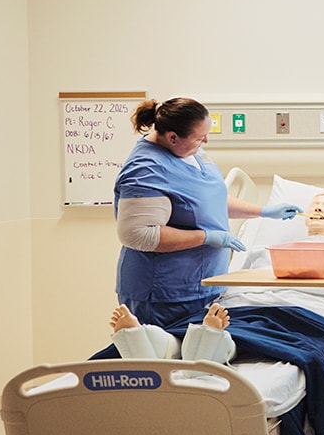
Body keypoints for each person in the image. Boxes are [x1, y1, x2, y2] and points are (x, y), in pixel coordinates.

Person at [114, 97, 302, 328]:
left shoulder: (189, 151)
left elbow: (208, 200)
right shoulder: (146, 170)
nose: (205, 141)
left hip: (205, 287)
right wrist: (207, 237)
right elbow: (138, 235)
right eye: (199, 137)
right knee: (165, 350)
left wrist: (263, 211)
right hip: (165, 295)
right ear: (172, 137)